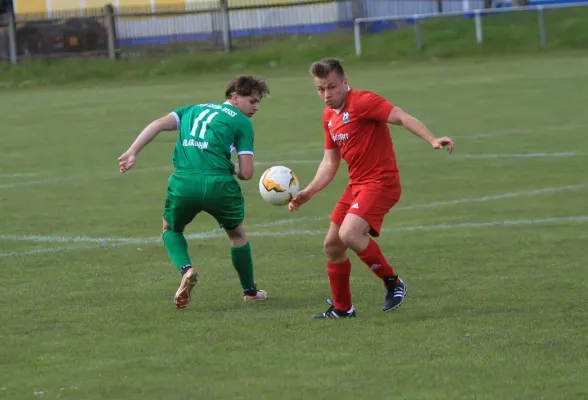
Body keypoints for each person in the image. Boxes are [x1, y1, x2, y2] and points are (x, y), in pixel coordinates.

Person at [289, 58, 454, 319]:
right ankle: (343, 309)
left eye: (331, 87)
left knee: (350, 234)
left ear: (345, 82)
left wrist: (432, 139)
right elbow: (330, 161)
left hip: (381, 182)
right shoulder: (328, 116)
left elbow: (400, 116)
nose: (326, 94)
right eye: (320, 89)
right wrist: (309, 191)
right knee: (332, 245)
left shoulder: (363, 101)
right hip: (357, 185)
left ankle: (393, 283)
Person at [118, 75, 270, 309]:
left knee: (171, 229)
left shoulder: (192, 109)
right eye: (252, 101)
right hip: (219, 185)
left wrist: (132, 151)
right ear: (235, 97)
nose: (256, 107)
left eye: (258, 102)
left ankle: (186, 269)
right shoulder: (242, 122)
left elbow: (158, 124)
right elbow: (247, 173)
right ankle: (250, 292)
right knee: (237, 235)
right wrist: (234, 169)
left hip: (183, 183)